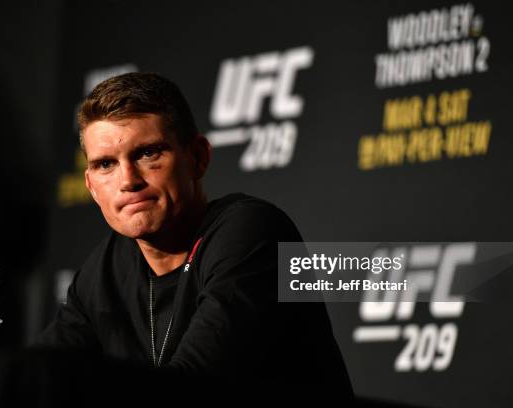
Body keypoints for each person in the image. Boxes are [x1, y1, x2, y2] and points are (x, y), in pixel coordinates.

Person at [34, 72, 353, 397]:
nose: (127, 180)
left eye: (148, 154)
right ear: (90, 185)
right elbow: (38, 378)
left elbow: (192, 389)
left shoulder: (252, 231)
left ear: (198, 157)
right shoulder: (105, 266)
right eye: (105, 164)